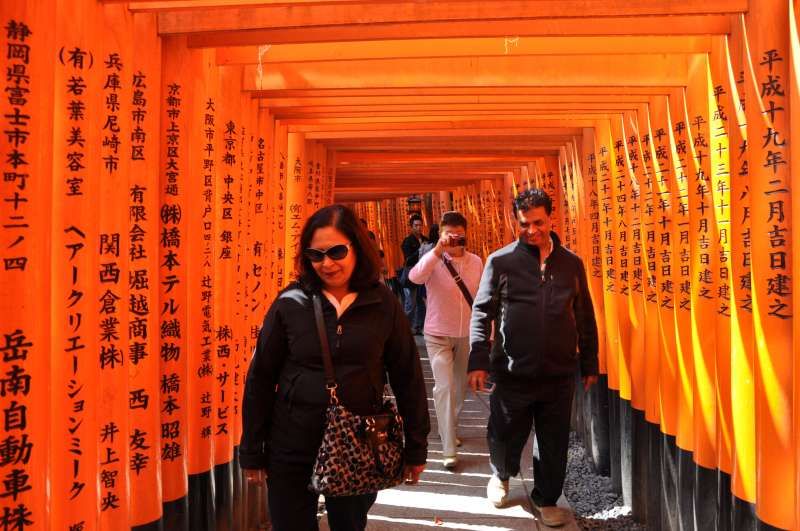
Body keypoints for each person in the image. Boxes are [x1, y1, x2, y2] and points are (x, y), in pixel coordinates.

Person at [240, 204, 430, 531]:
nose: (327, 263)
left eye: (337, 251)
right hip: (292, 440)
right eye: (316, 255)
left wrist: (416, 447)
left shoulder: (382, 303)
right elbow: (260, 377)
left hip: (359, 439)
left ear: (357, 248)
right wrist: (251, 451)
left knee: (350, 525)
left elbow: (407, 377)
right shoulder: (291, 302)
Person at [467, 188, 598, 527]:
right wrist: (478, 360)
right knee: (505, 430)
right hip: (512, 370)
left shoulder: (571, 264)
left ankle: (547, 497)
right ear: (516, 222)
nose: (532, 230)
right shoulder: (501, 262)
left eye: (538, 222)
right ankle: (502, 474)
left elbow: (584, 314)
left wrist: (590, 361)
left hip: (558, 371)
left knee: (554, 439)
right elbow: (482, 313)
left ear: (551, 218)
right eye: (525, 224)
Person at [408, 211, 482, 470]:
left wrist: (487, 336)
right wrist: (437, 251)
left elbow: (482, 301)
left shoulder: (476, 262)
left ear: (466, 234)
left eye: (458, 236)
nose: (453, 240)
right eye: (448, 235)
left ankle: (448, 427)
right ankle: (449, 449)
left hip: (466, 335)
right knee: (445, 387)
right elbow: (413, 277)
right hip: (437, 333)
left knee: (460, 389)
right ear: (440, 235)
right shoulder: (433, 260)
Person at [401, 213, 428, 334]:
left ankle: (419, 326)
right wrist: (419, 251)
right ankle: (405, 328)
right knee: (410, 304)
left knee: (421, 302)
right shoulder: (407, 241)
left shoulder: (425, 239)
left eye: (420, 225)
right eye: (416, 225)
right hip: (411, 275)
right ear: (411, 227)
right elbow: (407, 259)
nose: (419, 228)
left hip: (423, 274)